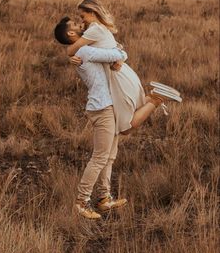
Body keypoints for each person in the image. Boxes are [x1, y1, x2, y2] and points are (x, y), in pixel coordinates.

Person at [54, 17, 181, 220]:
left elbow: (109, 53)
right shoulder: (85, 51)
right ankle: (81, 202)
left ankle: (104, 198)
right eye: (76, 26)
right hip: (101, 108)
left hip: (107, 106)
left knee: (109, 156)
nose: (80, 25)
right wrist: (121, 53)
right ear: (71, 34)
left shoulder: (83, 50)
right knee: (99, 157)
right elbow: (115, 53)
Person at [67, 0, 181, 135]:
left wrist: (71, 55)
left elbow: (71, 50)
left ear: (92, 12)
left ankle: (156, 99)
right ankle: (153, 97)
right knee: (132, 113)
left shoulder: (94, 29)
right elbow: (118, 49)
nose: (82, 20)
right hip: (123, 73)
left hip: (117, 77)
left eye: (82, 16)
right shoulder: (102, 29)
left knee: (126, 128)